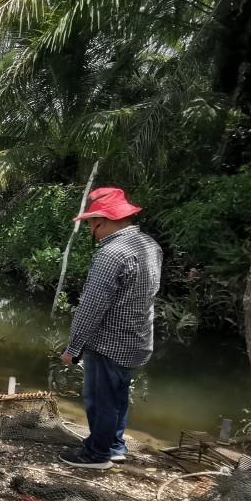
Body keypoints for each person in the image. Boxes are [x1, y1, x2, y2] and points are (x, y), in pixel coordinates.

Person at [59, 187, 163, 470]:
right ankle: (115, 445)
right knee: (118, 395)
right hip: (138, 340)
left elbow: (92, 307)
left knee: (100, 399)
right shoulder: (151, 246)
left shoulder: (110, 255)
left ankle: (96, 454)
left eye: (91, 224)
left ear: (101, 221)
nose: (92, 230)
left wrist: (73, 348)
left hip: (108, 342)